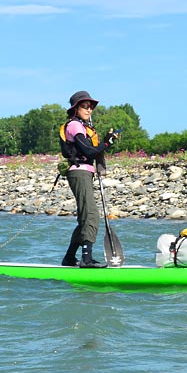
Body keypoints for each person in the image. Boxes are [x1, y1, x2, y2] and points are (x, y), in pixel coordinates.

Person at [60, 91, 120, 267]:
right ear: (75, 109)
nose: (89, 109)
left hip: (85, 172)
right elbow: (89, 151)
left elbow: (92, 151)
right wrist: (107, 143)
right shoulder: (74, 126)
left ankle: (69, 257)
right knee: (91, 215)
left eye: (90, 106)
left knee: (85, 217)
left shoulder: (83, 126)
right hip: (79, 172)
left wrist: (106, 141)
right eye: (84, 106)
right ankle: (86, 259)